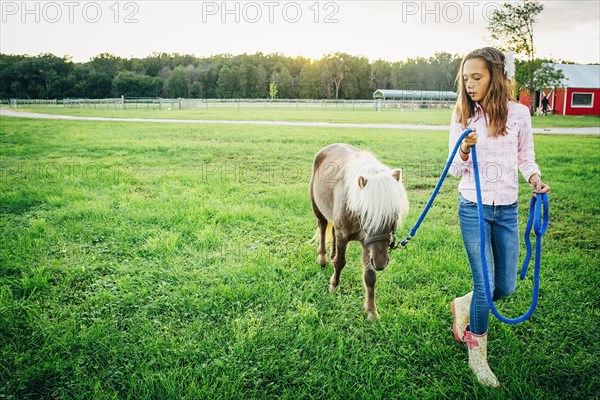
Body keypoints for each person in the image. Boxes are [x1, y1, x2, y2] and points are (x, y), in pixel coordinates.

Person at [448, 47, 550, 388]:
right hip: (473, 208)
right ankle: (478, 358)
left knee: (504, 286)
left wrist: (535, 179)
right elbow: (453, 170)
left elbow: (526, 158)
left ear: (497, 76)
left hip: (507, 209)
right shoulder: (463, 114)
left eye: (477, 77)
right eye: (466, 78)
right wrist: (465, 147)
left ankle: (462, 305)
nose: (470, 85)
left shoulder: (519, 114)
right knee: (485, 286)